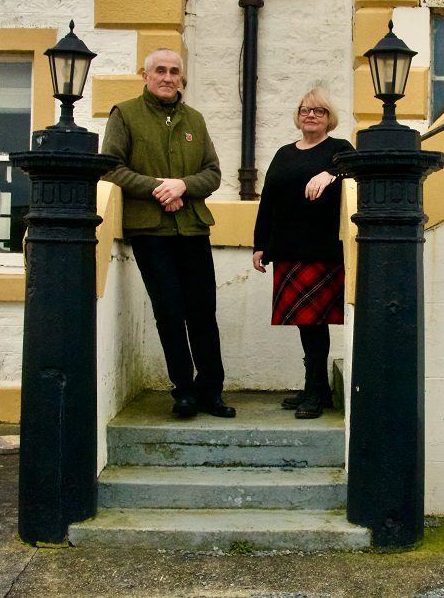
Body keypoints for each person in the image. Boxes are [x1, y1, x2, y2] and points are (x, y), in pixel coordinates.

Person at [101, 48, 235, 419]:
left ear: (182, 78)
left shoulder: (195, 119)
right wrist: (159, 188)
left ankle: (212, 391)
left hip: (192, 227)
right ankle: (184, 391)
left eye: (174, 71)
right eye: (159, 70)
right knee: (170, 312)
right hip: (150, 231)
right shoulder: (125, 114)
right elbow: (111, 167)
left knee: (203, 312)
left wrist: (183, 186)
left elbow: (212, 173)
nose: (167, 77)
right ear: (145, 76)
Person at [252, 86, 355, 419]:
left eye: (318, 111)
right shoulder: (284, 153)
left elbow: (357, 170)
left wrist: (330, 172)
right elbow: (269, 200)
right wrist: (259, 244)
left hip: (321, 248)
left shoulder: (339, 149)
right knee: (304, 323)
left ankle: (315, 391)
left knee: (314, 322)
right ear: (298, 117)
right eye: (304, 110)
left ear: (329, 118)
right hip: (287, 247)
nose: (310, 115)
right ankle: (318, 388)